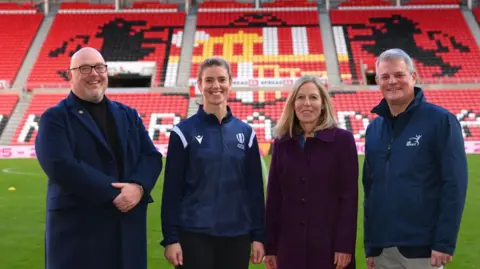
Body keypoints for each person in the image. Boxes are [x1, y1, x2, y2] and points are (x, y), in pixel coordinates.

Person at [35, 47, 163, 269]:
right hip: (80, 239)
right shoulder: (55, 118)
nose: (94, 74)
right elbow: (60, 165)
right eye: (84, 68)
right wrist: (115, 193)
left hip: (127, 235)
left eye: (99, 67)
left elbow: (151, 156)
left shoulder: (128, 115)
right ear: (70, 75)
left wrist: (138, 187)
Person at [363, 48, 468, 269]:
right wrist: (370, 246)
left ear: (413, 76)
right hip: (382, 250)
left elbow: (455, 184)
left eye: (399, 74)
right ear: (378, 81)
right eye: (385, 76)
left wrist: (444, 242)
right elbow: (369, 189)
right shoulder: (374, 129)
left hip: (423, 250)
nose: (392, 81)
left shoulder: (441, 121)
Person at [160, 57, 266, 269]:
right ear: (199, 84)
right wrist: (171, 238)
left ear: (230, 82)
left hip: (237, 236)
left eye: (221, 79)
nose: (215, 86)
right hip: (193, 235)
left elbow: (254, 190)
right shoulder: (183, 132)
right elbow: (172, 191)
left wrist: (259, 235)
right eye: (209, 80)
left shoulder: (246, 133)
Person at [264, 74, 359, 269]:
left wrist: (344, 245)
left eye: (313, 97)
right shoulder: (282, 142)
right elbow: (274, 197)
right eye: (300, 97)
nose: (307, 103)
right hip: (289, 248)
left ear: (323, 103)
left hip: (330, 248)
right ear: (293, 103)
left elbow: (349, 198)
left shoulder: (343, 141)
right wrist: (270, 247)